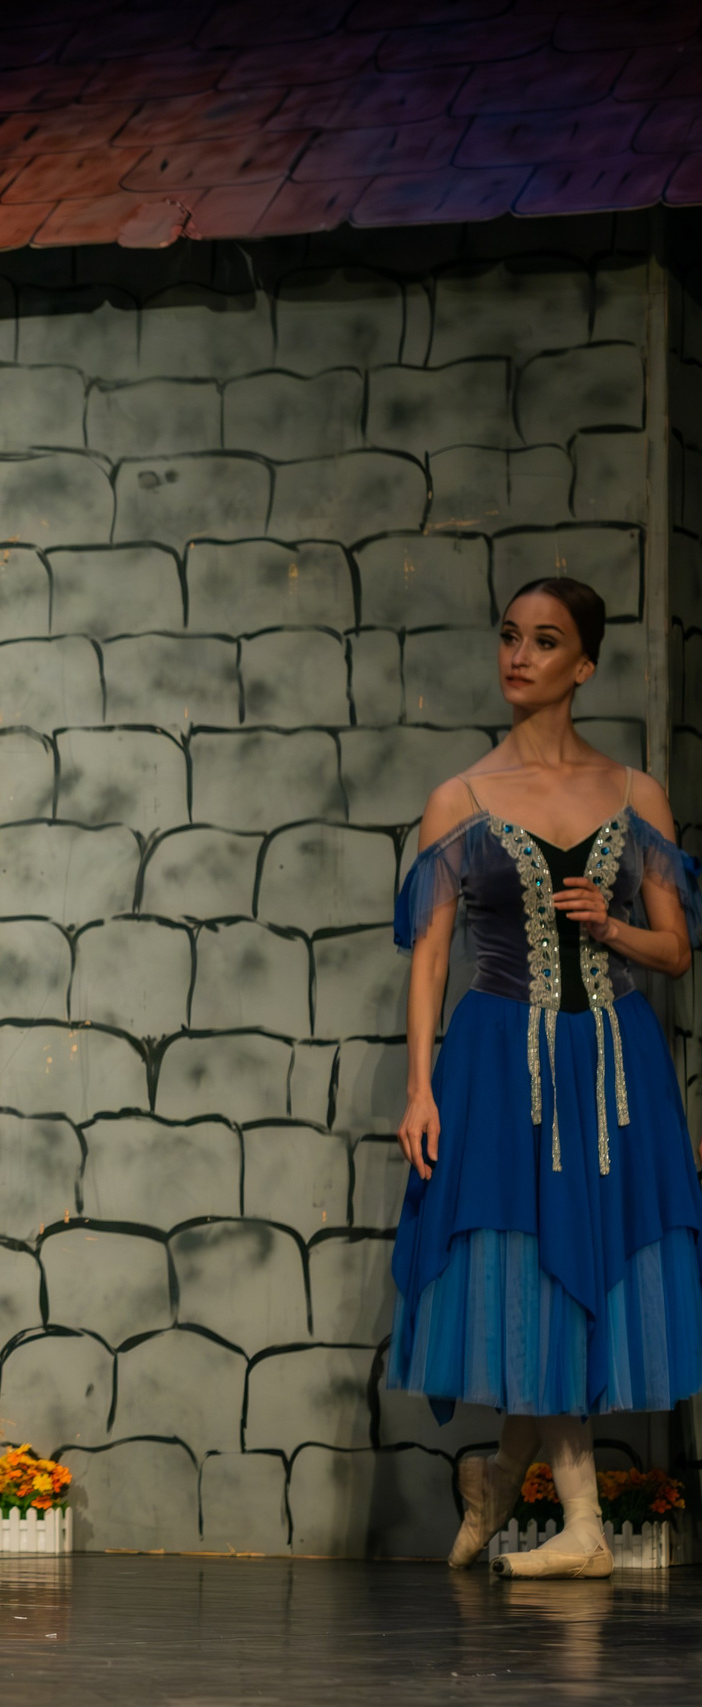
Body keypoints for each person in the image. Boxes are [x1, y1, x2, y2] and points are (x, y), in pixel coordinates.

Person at [391, 576, 702, 1580]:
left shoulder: (635, 794)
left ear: (585, 665)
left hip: (610, 1061)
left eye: (545, 640)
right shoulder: (460, 798)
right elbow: (428, 958)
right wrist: (420, 1089)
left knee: (573, 1266)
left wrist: (610, 926)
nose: (519, 655)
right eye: (510, 636)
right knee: (528, 1264)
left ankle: (499, 1481)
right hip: (497, 1059)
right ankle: (579, 1523)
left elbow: (675, 950)